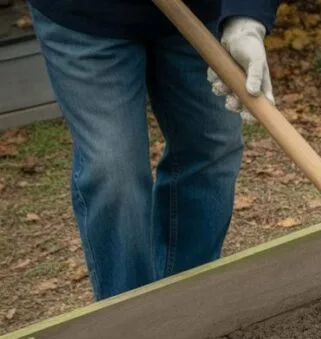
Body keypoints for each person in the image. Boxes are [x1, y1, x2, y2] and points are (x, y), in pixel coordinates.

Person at [26, 0, 280, 300]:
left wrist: (246, 17)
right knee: (113, 169)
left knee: (212, 147)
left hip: (199, 12)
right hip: (85, 17)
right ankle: (131, 324)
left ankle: (188, 306)